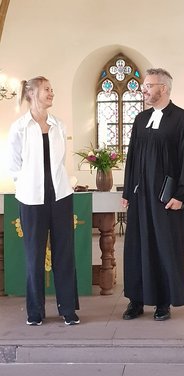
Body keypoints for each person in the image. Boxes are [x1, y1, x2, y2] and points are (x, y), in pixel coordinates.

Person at [122, 68, 184, 321]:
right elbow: (133, 158)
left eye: (148, 86)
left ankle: (163, 302)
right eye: (144, 85)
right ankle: (136, 300)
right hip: (142, 200)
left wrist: (182, 196)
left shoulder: (183, 120)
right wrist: (129, 190)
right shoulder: (141, 120)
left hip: (168, 201)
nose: (143, 90)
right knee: (137, 247)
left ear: (163, 88)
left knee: (165, 248)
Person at [7, 76, 80, 326]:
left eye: (52, 89)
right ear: (32, 94)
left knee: (65, 254)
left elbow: (59, 162)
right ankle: (35, 312)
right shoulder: (19, 127)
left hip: (60, 196)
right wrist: (27, 184)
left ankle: (68, 310)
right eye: (46, 89)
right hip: (31, 199)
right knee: (34, 256)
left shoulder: (59, 125)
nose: (51, 93)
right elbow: (13, 164)